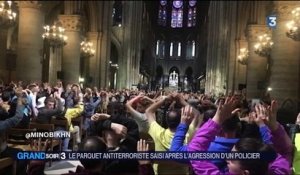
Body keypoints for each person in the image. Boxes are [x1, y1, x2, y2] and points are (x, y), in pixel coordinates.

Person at [188, 98, 293, 175]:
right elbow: (284, 152)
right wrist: (269, 127)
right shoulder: (278, 171)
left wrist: (217, 119)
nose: (227, 159)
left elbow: (194, 152)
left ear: (245, 173)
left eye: (232, 159)